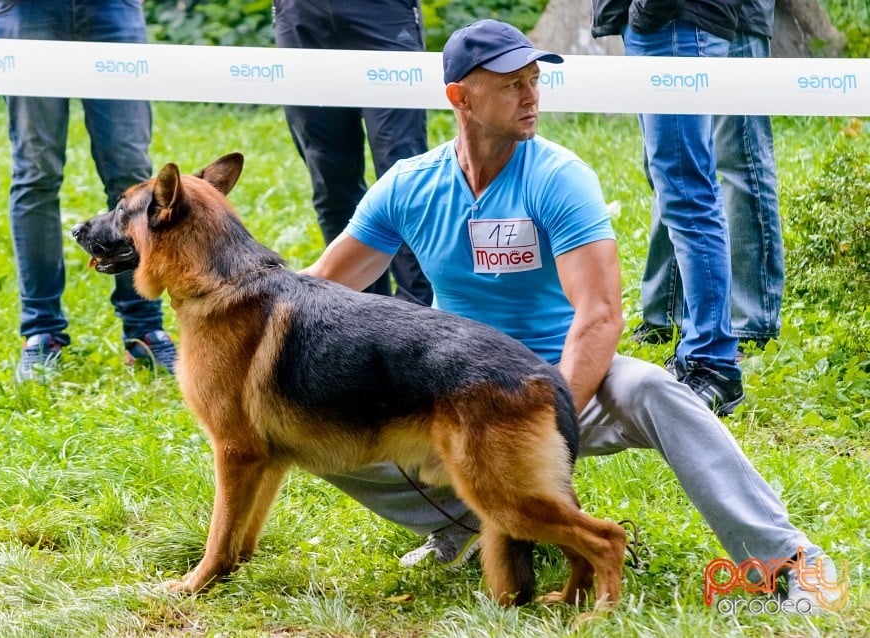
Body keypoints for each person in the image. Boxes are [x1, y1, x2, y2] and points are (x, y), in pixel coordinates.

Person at [304, 18, 836, 604]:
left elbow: (602, 314)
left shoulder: (559, 177)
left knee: (656, 389)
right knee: (308, 426)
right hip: (452, 389)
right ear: (460, 97)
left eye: (534, 80)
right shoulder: (408, 186)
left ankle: (789, 561)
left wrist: (540, 426)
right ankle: (459, 521)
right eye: (510, 84)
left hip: (557, 377)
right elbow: (326, 285)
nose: (531, 96)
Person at [0, 0, 176, 381]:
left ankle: (144, 330)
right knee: (36, 174)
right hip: (25, 10)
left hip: (112, 9)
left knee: (131, 175)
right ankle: (40, 333)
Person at [591, 0, 745, 416]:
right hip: (665, 24)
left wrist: (646, 10)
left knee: (688, 194)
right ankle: (703, 353)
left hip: (674, 24)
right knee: (682, 192)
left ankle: (713, 363)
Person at [631, 0, 784, 359]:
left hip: (732, 14)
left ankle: (750, 321)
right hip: (652, 17)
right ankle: (664, 313)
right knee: (669, 166)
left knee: (740, 158)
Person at [273, 0, 433, 305]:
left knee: (402, 175)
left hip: (382, 14)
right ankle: (360, 313)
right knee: (330, 180)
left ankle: (419, 314)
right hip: (302, 16)